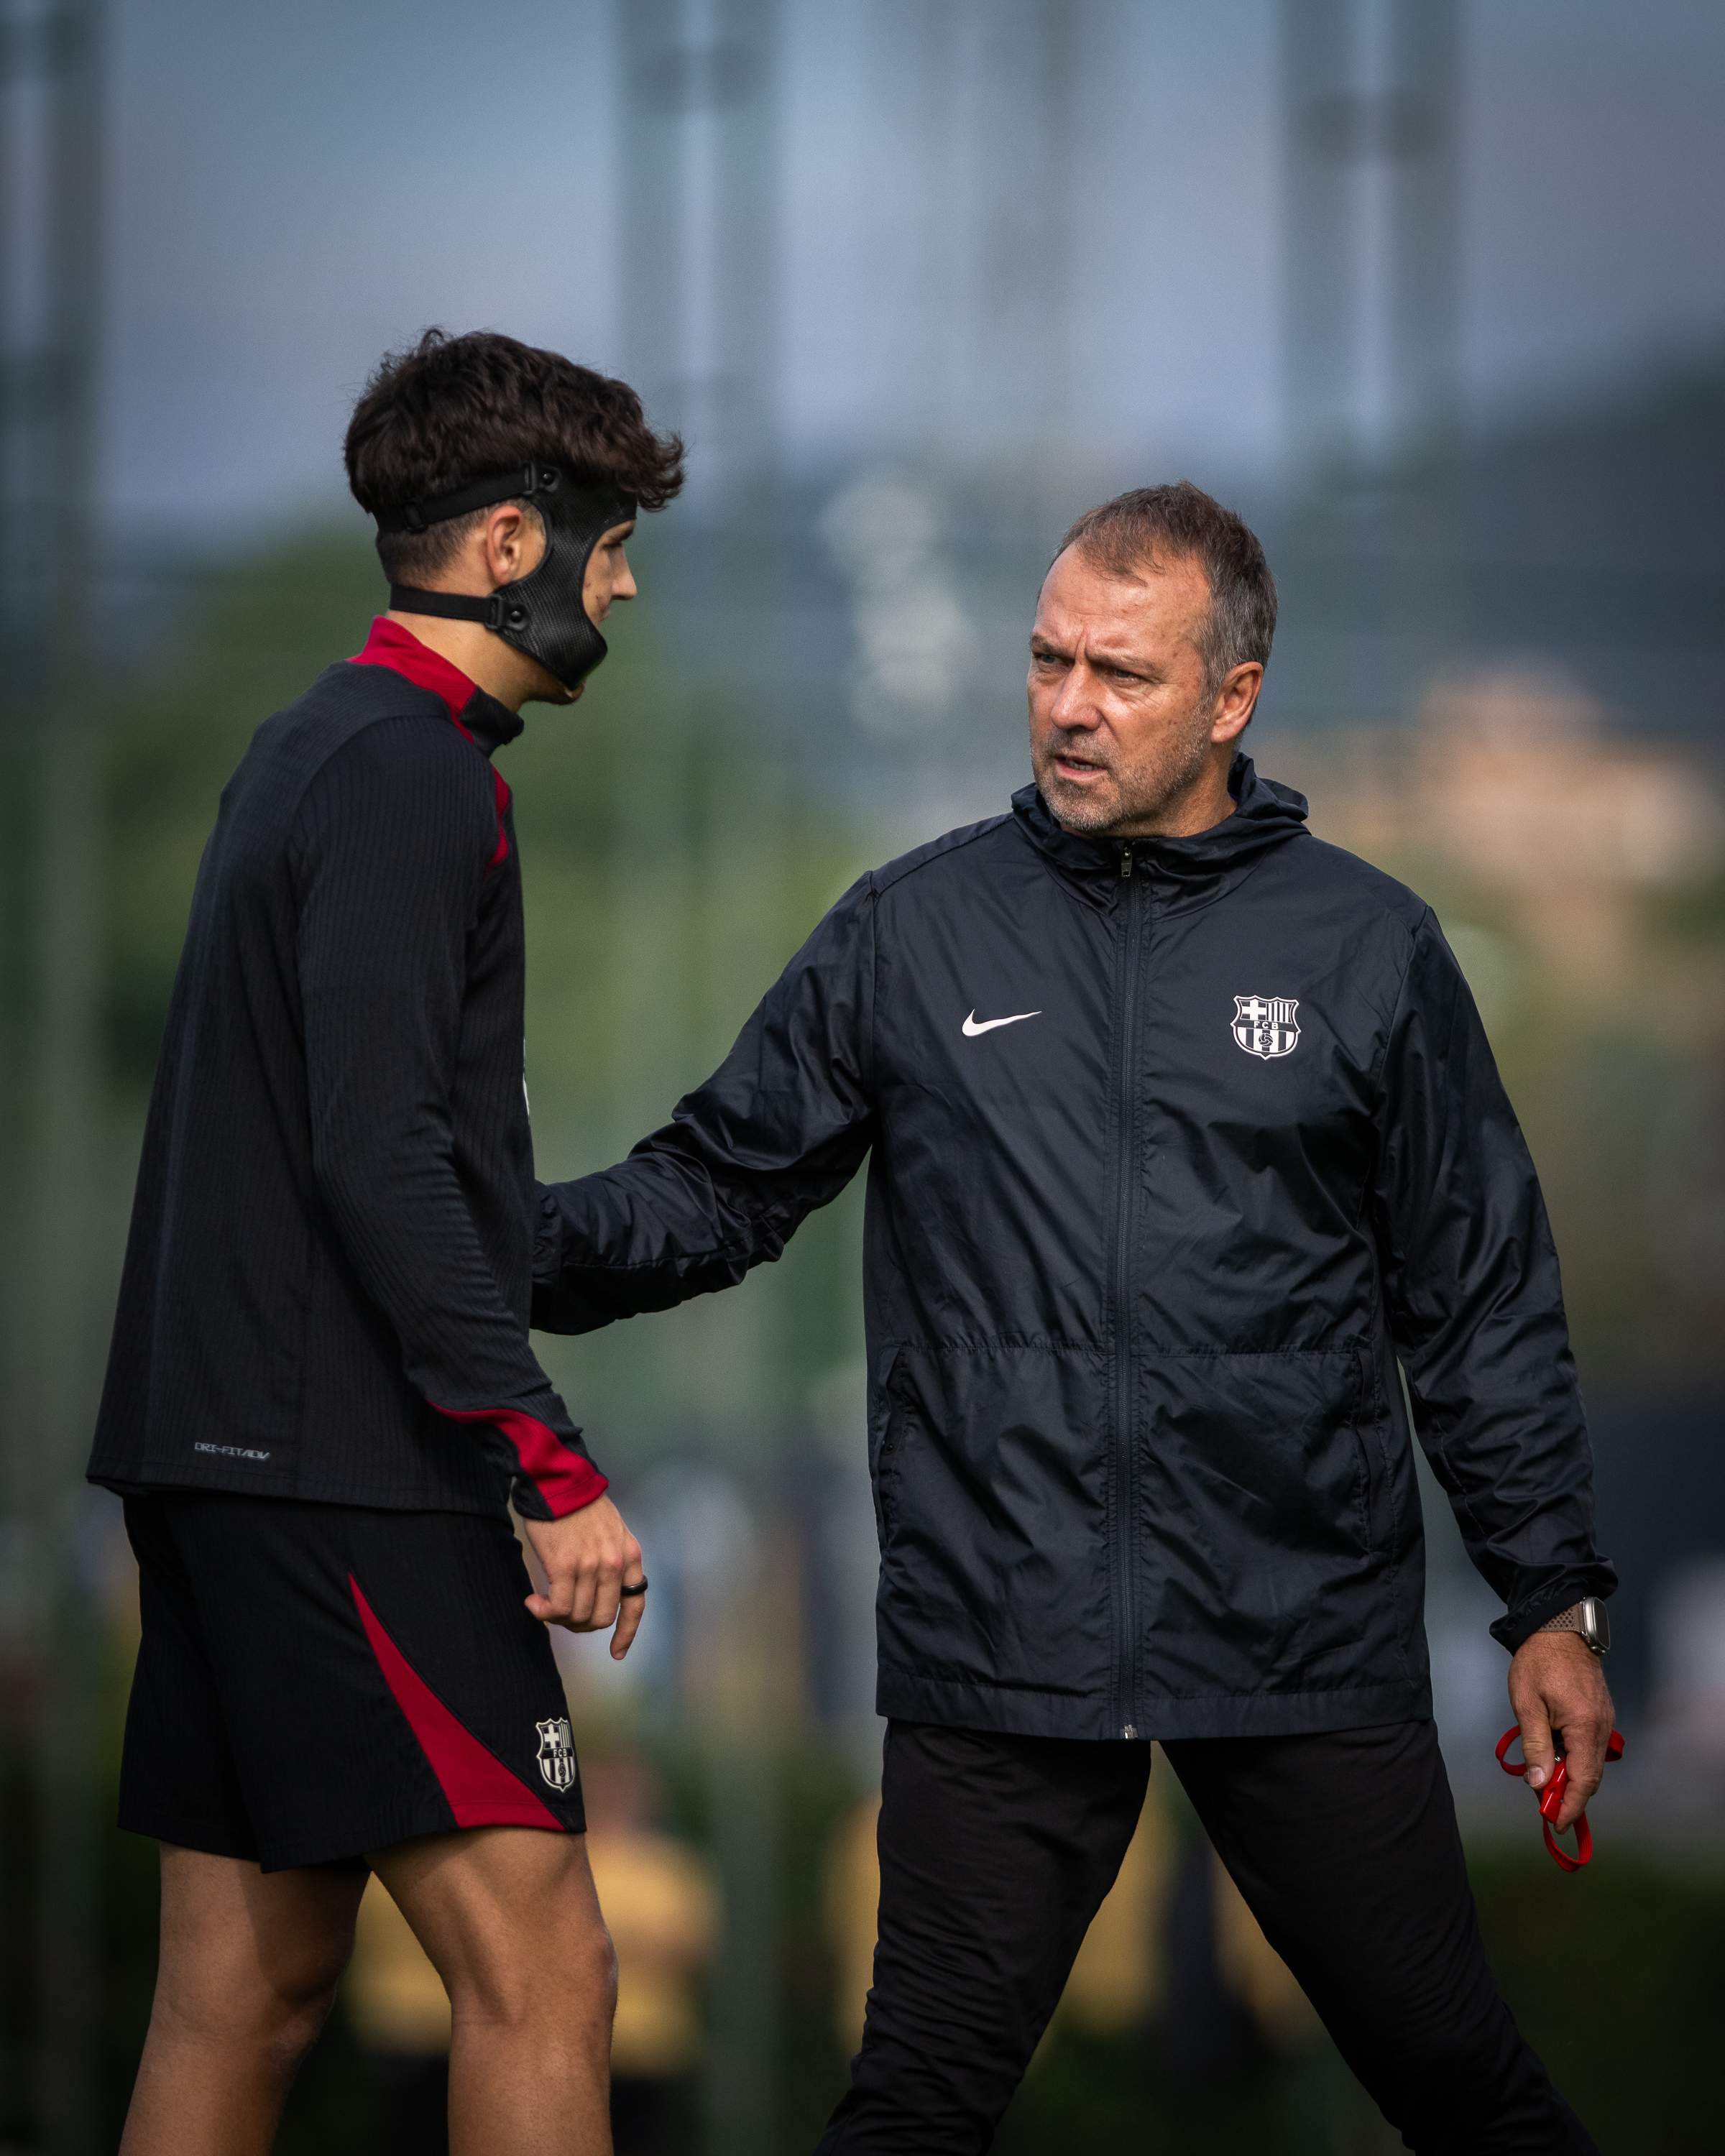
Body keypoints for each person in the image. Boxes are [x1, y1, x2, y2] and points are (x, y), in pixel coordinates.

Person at [533, 482, 1618, 2153]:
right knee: (913, 2107)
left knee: (1467, 2092)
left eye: (1120, 673)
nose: (1068, 707)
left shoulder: (1370, 951)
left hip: (1298, 1633)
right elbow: (718, 1185)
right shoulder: (914, 927)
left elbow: (1479, 1302)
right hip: (1002, 1633)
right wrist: (488, 1243)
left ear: (1233, 698)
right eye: (1047, 661)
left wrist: (1551, 1598)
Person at [88, 328, 682, 2156]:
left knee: (240, 1995)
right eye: (610, 541)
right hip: (347, 1473)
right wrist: (547, 1459)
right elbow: (382, 1159)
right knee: (550, 1974)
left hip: (216, 1460)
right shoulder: (414, 771)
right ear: (511, 542)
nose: (627, 578)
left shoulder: (303, 744)